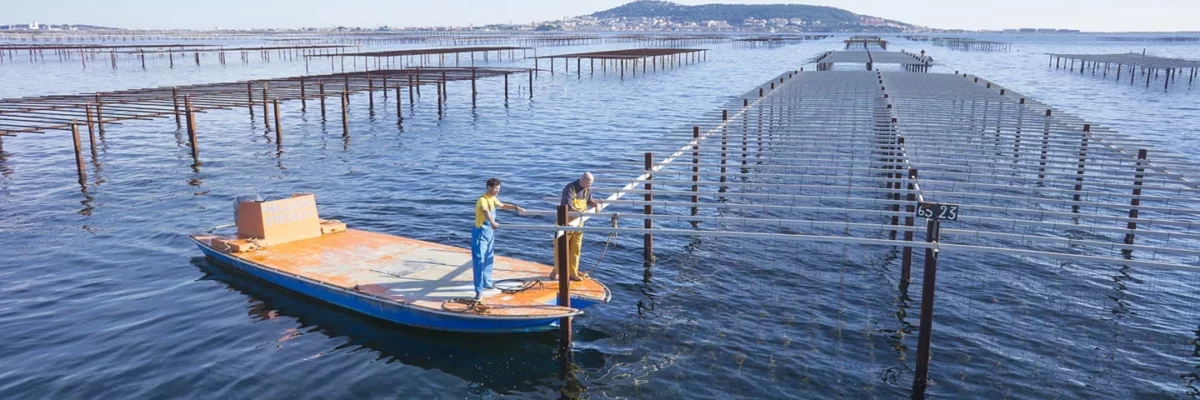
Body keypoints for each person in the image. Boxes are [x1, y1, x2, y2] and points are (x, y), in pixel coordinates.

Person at [472, 177, 525, 302]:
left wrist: (517, 208)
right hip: (480, 234)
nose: (497, 191)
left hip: (490, 234)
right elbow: (485, 211)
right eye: (495, 188)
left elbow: (502, 205)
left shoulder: (493, 198)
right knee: (479, 261)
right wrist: (492, 222)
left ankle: (487, 282)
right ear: (489, 187)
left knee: (489, 257)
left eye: (498, 189)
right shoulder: (482, 200)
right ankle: (479, 291)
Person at [554, 172, 601, 282]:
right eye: (588, 183)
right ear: (582, 180)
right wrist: (578, 212)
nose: (590, 186)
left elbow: (589, 201)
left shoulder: (587, 190)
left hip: (579, 224)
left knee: (575, 249)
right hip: (566, 222)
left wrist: (595, 205)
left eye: (591, 184)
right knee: (561, 248)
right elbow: (568, 205)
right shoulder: (570, 188)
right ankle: (557, 270)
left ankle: (573, 272)